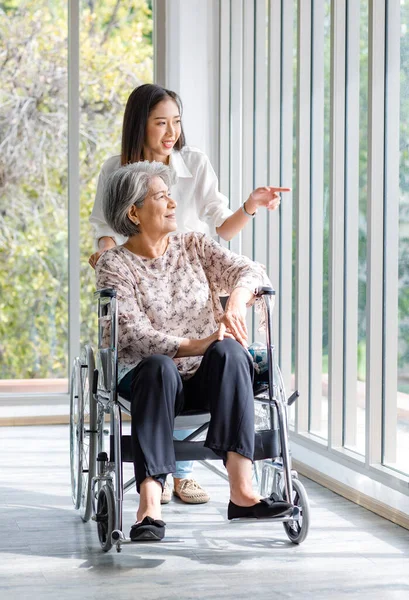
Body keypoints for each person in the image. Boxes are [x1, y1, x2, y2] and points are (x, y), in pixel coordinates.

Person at [89, 83, 290, 505]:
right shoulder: (116, 178)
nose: (171, 132)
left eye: (176, 122)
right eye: (161, 122)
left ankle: (239, 490)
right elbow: (106, 238)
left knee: (231, 352)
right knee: (160, 366)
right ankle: (153, 495)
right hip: (151, 335)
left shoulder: (192, 231)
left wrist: (235, 299)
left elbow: (231, 242)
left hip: (196, 294)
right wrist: (116, 266)